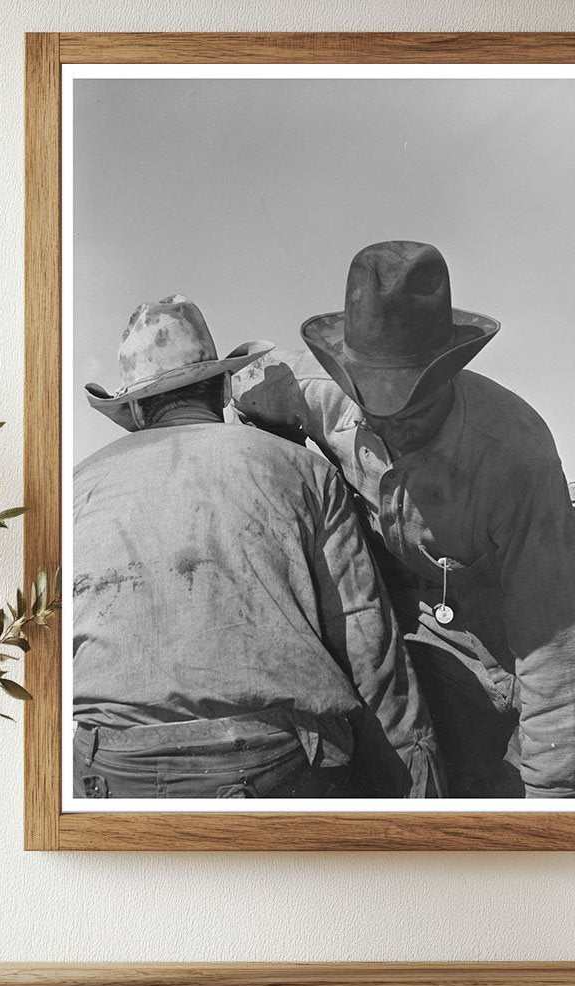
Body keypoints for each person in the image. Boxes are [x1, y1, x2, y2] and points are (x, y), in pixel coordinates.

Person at [233, 242, 575, 799]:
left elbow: (558, 662)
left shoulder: (515, 457)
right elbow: (234, 391)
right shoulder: (309, 393)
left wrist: (549, 811)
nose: (392, 424)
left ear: (449, 373)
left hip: (519, 655)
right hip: (416, 641)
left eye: (413, 406)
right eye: (372, 400)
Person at [73, 294, 444, 800]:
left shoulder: (77, 487)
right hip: (270, 764)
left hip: (111, 769)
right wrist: (415, 771)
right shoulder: (301, 468)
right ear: (224, 386)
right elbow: (365, 637)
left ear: (135, 406)